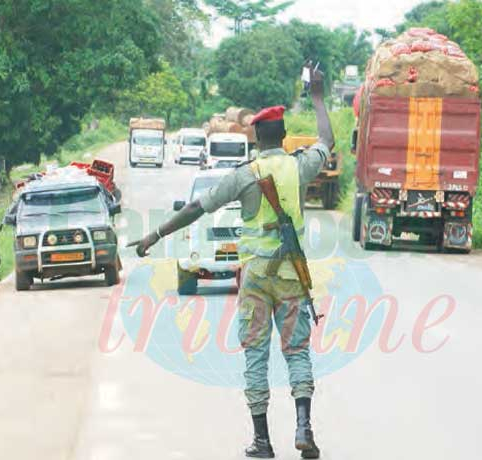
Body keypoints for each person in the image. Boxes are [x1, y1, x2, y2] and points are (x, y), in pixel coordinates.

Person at [129, 67, 333, 459]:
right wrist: (319, 97)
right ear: (285, 136)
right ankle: (304, 426)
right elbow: (327, 138)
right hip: (292, 275)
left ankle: (262, 441)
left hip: (255, 277)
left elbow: (195, 208)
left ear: (255, 137)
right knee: (297, 351)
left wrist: (155, 235)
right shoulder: (299, 166)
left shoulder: (244, 175)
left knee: (256, 353)